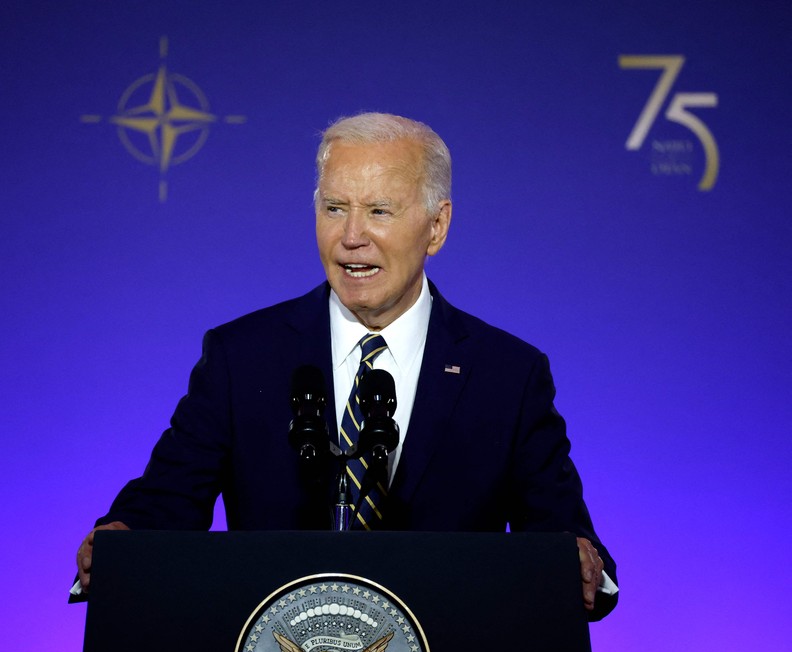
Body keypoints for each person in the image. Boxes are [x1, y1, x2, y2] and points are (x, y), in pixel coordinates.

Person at [75, 112, 618, 619]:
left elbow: (561, 536)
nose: (351, 236)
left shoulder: (507, 374)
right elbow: (168, 503)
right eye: (335, 208)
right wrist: (123, 537)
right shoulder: (242, 357)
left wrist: (579, 562)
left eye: (379, 211)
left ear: (437, 225)